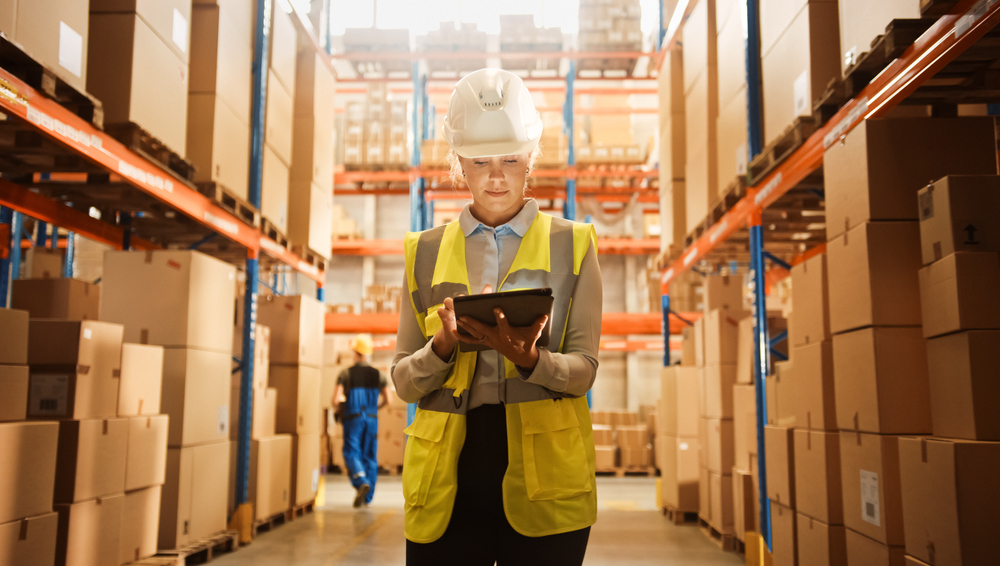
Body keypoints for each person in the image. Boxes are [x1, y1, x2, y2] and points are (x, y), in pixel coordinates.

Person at [392, 68, 603, 566]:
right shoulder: (422, 252)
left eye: (510, 159)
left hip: (544, 477)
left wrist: (533, 362)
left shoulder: (574, 244)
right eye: (479, 161)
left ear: (531, 156)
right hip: (448, 477)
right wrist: (441, 348)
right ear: (457, 162)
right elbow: (402, 380)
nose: (495, 176)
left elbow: (585, 368)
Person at [332, 333, 390, 508]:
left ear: (355, 352)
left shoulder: (345, 373)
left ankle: (360, 480)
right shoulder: (378, 375)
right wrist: (375, 409)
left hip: (353, 418)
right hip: (372, 419)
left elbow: (335, 399)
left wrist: (340, 408)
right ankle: (368, 497)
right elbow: (389, 400)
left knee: (351, 452)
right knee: (370, 456)